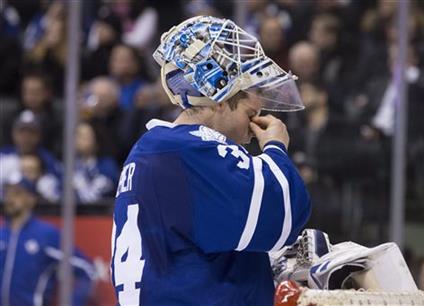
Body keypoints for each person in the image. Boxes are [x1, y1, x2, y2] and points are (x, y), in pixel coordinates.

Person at [111, 16, 311, 306]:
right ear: (217, 96)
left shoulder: (156, 149)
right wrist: (276, 149)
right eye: (248, 114)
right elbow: (281, 218)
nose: (252, 133)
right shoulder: (189, 149)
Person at [0, 177, 95, 306]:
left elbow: (87, 268)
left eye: (17, 193)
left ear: (31, 199)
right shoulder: (2, 234)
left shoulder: (45, 234)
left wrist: (74, 302)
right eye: (7, 193)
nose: (10, 199)